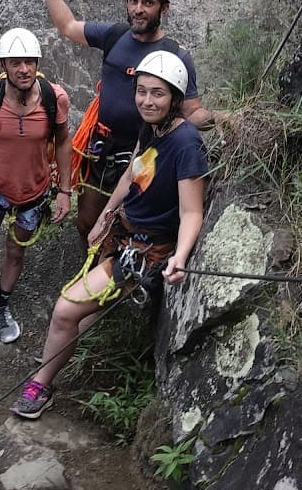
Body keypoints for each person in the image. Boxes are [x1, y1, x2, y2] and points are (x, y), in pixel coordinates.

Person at [12, 50, 208, 419]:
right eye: (142, 91)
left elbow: (191, 210)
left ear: (176, 99)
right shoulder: (151, 127)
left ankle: (41, 386)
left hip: (146, 251)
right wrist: (105, 215)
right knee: (79, 319)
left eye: (158, 94)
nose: (147, 101)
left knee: (65, 310)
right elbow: (134, 171)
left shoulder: (186, 144)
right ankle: (63, 349)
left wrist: (180, 257)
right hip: (124, 235)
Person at [23, 0, 217, 242]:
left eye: (147, 3)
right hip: (105, 149)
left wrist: (222, 118)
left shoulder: (176, 56)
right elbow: (68, 27)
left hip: (148, 152)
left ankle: (122, 271)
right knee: (88, 220)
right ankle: (93, 268)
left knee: (133, 222)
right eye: (133, 1)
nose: (138, 9)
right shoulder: (115, 35)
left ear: (164, 8)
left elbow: (191, 111)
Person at [0, 29, 72, 344]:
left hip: (33, 192)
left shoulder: (54, 97)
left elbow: (63, 142)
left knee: (16, 251)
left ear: (37, 63)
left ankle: (2, 304)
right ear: (2, 65)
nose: (24, 69)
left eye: (29, 62)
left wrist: (65, 189)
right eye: (16, 63)